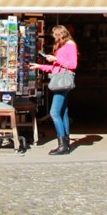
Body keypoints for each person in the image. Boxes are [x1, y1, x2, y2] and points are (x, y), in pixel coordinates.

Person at [30, 24, 78, 155]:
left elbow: (73, 65)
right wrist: (39, 66)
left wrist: (56, 58)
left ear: (61, 34)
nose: (54, 38)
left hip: (62, 82)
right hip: (60, 79)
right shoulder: (64, 46)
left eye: (56, 35)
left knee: (54, 112)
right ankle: (66, 143)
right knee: (63, 112)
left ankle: (62, 145)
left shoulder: (70, 45)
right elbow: (56, 68)